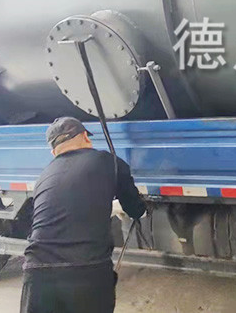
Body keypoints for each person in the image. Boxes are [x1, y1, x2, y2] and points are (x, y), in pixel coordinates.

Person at [20, 116, 146, 313]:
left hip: (37, 272)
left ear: (54, 151)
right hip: (87, 271)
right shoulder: (108, 161)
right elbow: (135, 209)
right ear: (85, 137)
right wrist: (137, 208)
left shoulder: (44, 176)